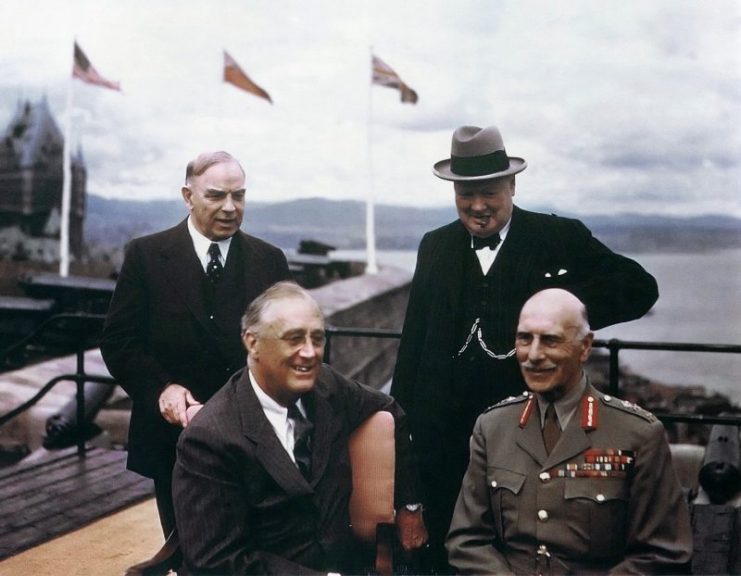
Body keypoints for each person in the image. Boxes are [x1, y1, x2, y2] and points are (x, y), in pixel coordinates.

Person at [390, 124, 660, 570]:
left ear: (512, 185)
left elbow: (639, 288)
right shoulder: (434, 246)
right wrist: (407, 483)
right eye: (465, 194)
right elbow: (412, 350)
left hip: (530, 443)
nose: (478, 206)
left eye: (490, 192)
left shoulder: (558, 236)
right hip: (445, 454)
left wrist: (563, 309)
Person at [172, 281, 428, 574]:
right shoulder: (210, 439)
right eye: (294, 339)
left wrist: (410, 506)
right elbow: (215, 560)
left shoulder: (327, 386)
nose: (310, 353)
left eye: (317, 339)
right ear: (252, 342)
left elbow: (391, 410)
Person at [100, 151, 291, 536]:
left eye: (239, 196)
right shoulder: (146, 256)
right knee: (186, 553)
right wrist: (161, 389)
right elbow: (119, 341)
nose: (230, 207)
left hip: (253, 442)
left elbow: (287, 346)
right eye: (216, 196)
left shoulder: (270, 261)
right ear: (188, 196)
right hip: (172, 441)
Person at [446, 288, 692, 574]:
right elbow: (466, 541)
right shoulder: (492, 427)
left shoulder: (637, 434)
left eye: (550, 340)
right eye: (524, 338)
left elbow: (663, 554)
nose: (533, 355)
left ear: (585, 347)